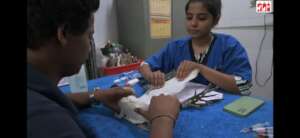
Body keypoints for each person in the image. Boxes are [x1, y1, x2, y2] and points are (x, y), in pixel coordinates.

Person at [27, 0, 180, 138]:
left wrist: (96, 96)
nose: (90, 47)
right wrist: (162, 120)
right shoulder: (46, 123)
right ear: (64, 34)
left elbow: (54, 99)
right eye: (90, 35)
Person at [139, 0, 252, 95]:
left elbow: (244, 85)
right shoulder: (176, 47)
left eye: (201, 18)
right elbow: (145, 65)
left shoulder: (229, 45)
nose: (193, 23)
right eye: (189, 17)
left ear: (216, 20)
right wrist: (151, 76)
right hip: (186, 106)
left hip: (222, 108)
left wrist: (201, 68)